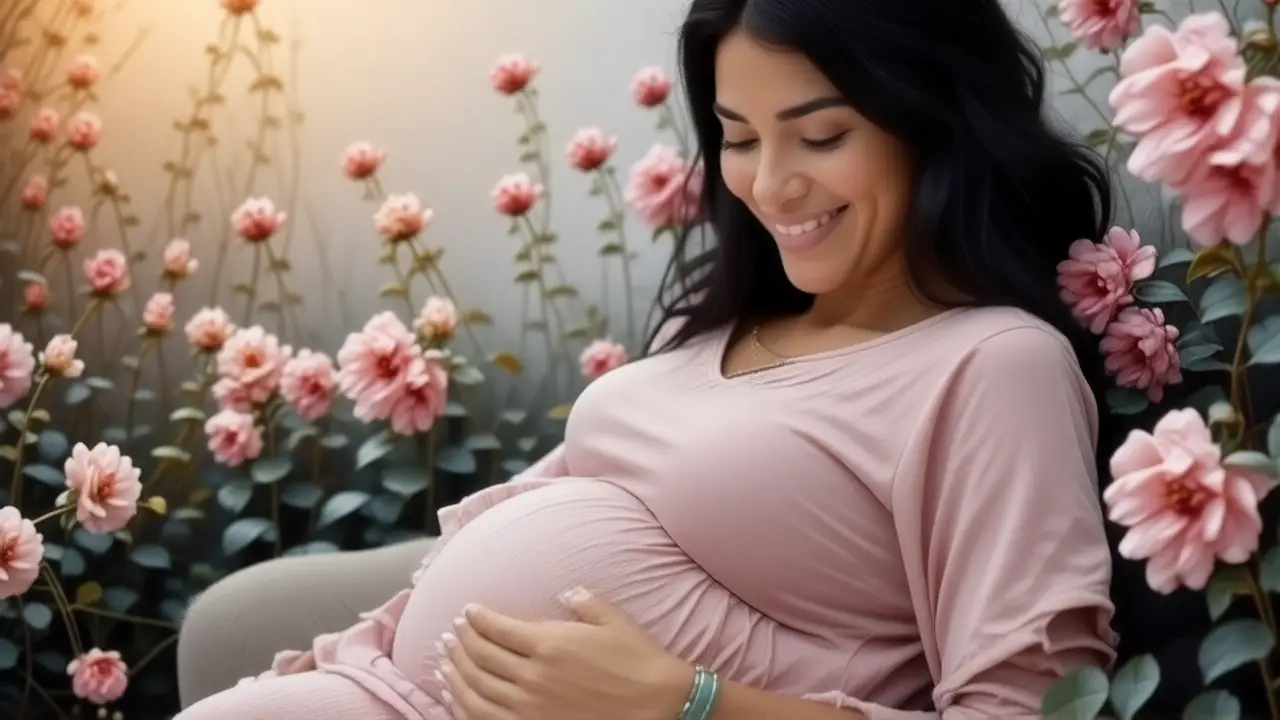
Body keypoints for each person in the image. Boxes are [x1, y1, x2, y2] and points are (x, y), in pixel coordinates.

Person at [175, 0, 1127, 716]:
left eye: (822, 134)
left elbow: (1030, 711)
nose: (771, 181)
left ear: (936, 122)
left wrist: (689, 701)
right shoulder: (721, 330)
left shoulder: (994, 366)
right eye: (739, 138)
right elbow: (497, 543)